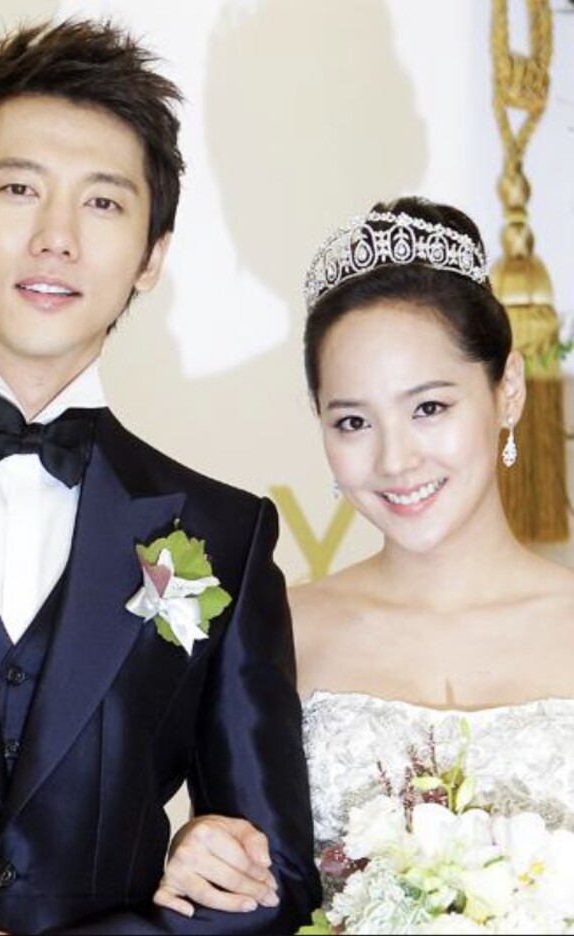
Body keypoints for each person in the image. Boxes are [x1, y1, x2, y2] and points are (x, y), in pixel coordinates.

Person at [0, 17, 319, 935]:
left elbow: (273, 877)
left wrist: (209, 863)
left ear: (152, 257)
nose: (57, 237)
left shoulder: (225, 535)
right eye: (18, 189)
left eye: (104, 203)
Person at [153, 195, 574, 919]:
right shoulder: (273, 634)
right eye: (353, 421)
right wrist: (200, 850)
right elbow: (244, 881)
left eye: (429, 408)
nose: (395, 459)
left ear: (506, 390)